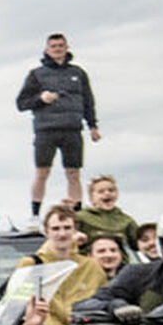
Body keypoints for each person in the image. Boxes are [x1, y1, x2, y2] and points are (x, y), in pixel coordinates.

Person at [16, 32, 99, 215]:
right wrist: (41, 99)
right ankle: (35, 214)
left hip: (72, 129)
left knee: (73, 173)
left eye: (61, 45)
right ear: (47, 49)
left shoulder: (78, 73)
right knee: (42, 172)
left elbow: (88, 101)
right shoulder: (37, 74)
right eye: (53, 46)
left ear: (67, 47)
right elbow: (21, 103)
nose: (57, 49)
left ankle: (77, 213)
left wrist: (92, 126)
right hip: (46, 130)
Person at [8, 204, 104, 325]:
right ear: (46, 232)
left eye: (67, 228)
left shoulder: (91, 266)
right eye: (55, 228)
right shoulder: (31, 264)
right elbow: (14, 307)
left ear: (75, 230)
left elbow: (105, 301)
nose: (62, 234)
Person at [73, 174, 137, 250]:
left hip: (120, 261)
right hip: (89, 260)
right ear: (91, 198)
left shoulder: (126, 220)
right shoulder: (80, 217)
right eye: (101, 191)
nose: (107, 193)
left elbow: (138, 245)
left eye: (111, 190)